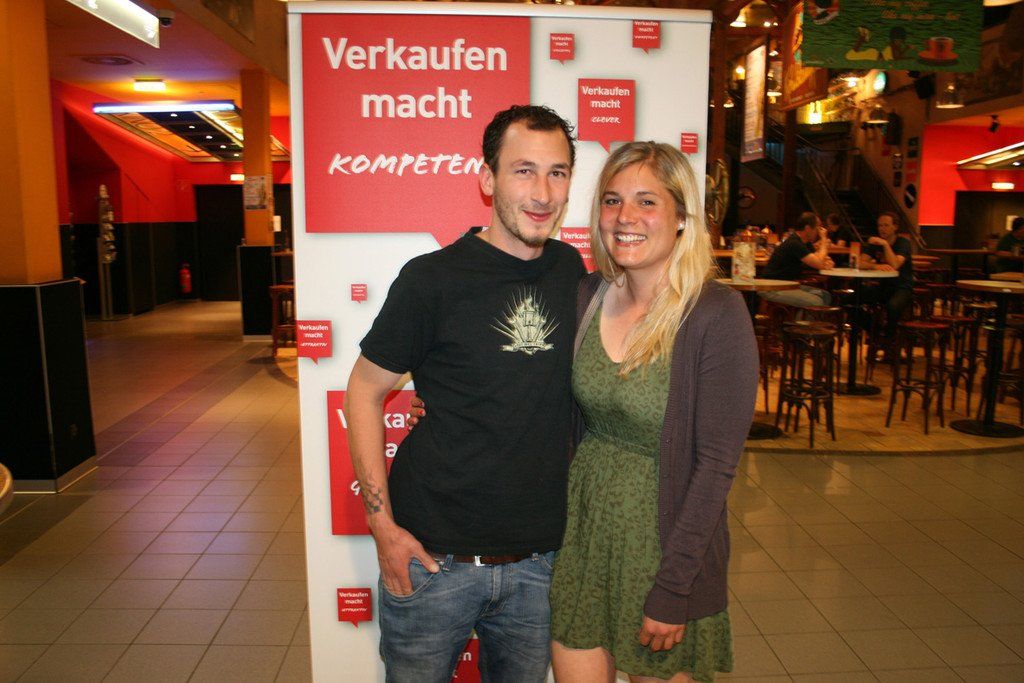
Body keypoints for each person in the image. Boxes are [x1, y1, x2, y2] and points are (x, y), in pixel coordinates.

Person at [345, 104, 585, 682]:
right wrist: (383, 528)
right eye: (523, 170)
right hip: (433, 561)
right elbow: (363, 391)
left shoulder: (571, 268)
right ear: (487, 179)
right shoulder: (431, 279)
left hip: (542, 563)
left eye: (556, 173)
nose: (542, 193)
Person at [548, 142, 758, 683]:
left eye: (647, 202)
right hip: (584, 535)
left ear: (682, 217)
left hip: (663, 547)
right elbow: (538, 388)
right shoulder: (587, 295)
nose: (625, 217)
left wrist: (674, 587)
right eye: (612, 200)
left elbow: (716, 467)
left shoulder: (715, 313)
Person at [858, 211, 914, 348]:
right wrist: (876, 266)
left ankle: (889, 342)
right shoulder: (875, 243)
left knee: (893, 307)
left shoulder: (903, 243)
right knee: (851, 300)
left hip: (902, 287)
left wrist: (885, 244)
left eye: (886, 225)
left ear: (895, 227)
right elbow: (858, 263)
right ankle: (876, 331)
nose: (882, 229)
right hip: (883, 286)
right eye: (880, 225)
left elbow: (895, 265)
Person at [758, 211, 834, 308]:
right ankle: (801, 318)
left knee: (825, 296)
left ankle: (801, 317)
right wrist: (824, 239)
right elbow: (819, 263)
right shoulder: (794, 243)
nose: (819, 232)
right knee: (816, 301)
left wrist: (826, 262)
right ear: (807, 228)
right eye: (817, 228)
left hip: (788, 285)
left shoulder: (805, 243)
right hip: (772, 287)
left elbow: (821, 261)